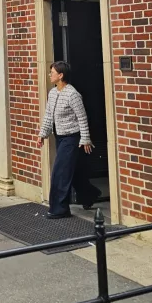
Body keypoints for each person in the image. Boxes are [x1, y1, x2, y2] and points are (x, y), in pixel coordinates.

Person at [37, 61, 99, 219]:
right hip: (60, 137)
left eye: (52, 72)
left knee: (60, 172)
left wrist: (85, 138)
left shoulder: (73, 94)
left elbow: (82, 118)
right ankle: (90, 194)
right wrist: (42, 134)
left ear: (61, 75)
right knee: (75, 171)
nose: (50, 74)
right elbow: (48, 116)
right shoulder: (52, 93)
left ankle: (59, 209)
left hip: (72, 138)